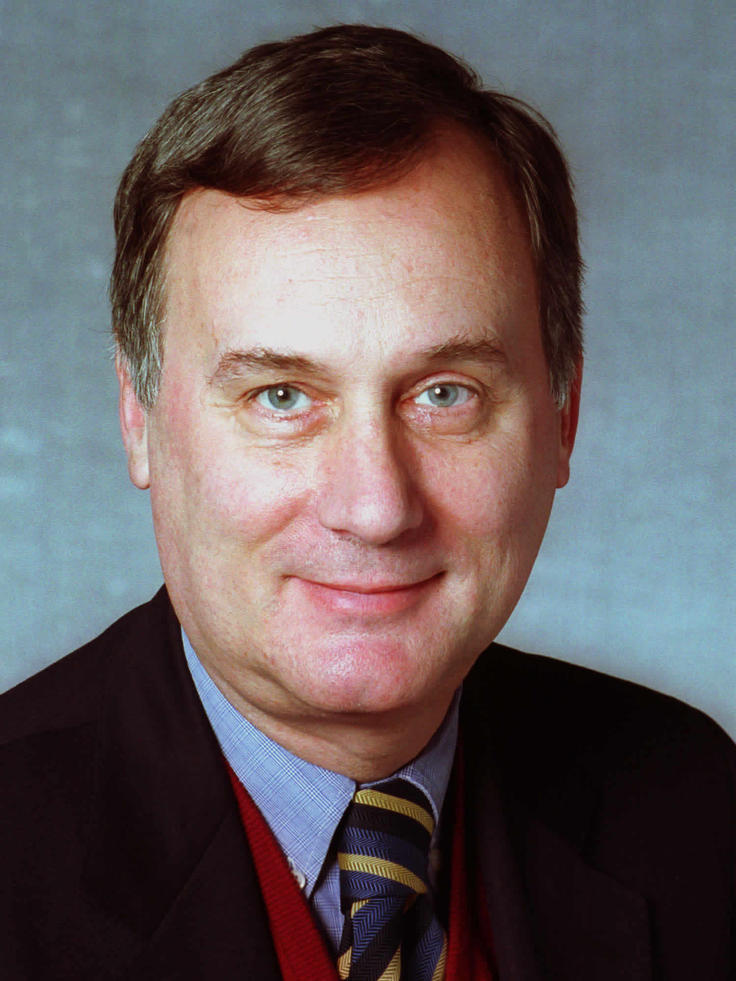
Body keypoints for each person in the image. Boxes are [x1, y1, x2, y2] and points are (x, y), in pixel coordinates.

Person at [1, 24, 733, 981]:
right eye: (281, 397)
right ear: (139, 419)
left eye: (445, 393)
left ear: (563, 415)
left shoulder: (694, 810)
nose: (376, 506)